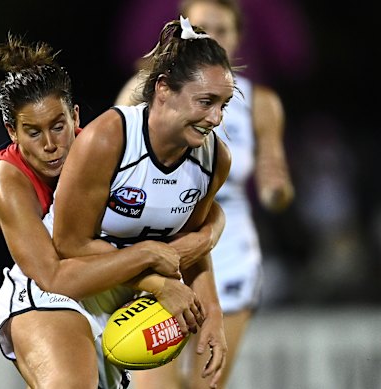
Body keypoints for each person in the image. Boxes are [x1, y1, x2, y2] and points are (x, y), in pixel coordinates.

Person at [0, 34, 198, 389]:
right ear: (11, 132)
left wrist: (212, 229)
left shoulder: (99, 152)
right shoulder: (8, 186)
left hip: (40, 279)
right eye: (33, 132)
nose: (50, 145)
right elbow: (55, 274)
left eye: (58, 126)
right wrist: (153, 266)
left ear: (75, 115)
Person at [0, 17, 234, 389]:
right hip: (58, 290)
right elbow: (70, 245)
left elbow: (189, 243)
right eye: (205, 102)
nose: (216, 118)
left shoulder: (214, 158)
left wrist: (213, 314)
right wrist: (155, 276)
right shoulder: (108, 138)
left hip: (124, 305)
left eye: (224, 104)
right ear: (164, 91)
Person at [116, 1, 295, 388]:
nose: (211, 37)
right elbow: (113, 161)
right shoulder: (148, 90)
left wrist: (276, 189)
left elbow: (274, 187)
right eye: (200, 27)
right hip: (160, 251)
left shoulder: (259, 102)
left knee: (205, 385)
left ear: (237, 38)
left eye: (222, 29)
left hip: (228, 255)